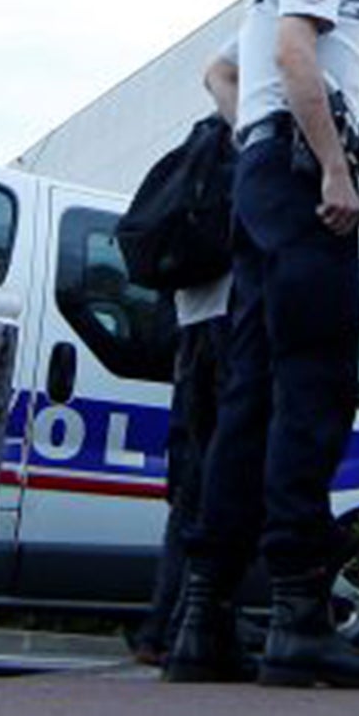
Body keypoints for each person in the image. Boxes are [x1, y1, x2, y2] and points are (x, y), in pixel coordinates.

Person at [164, 0, 359, 689]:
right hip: (299, 179)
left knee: (251, 398)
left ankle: (204, 618)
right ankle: (301, 617)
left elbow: (220, 74)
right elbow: (297, 50)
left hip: (266, 175)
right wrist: (332, 167)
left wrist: (256, 139)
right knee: (315, 387)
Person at [133, 48, 241, 666]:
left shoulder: (197, 143)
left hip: (192, 325)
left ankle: (162, 625)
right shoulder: (240, 137)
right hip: (230, 320)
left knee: (194, 477)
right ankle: (197, 624)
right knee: (223, 469)